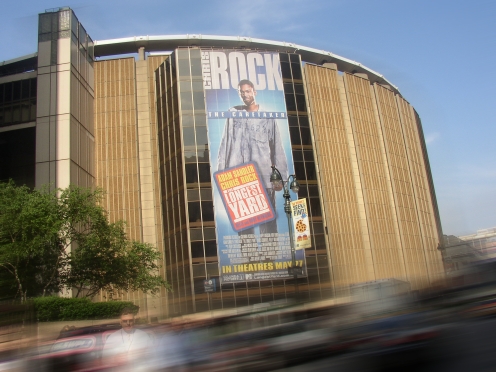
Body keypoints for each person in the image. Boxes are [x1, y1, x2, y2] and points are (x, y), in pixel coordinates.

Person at [217, 80, 289, 258]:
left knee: (267, 221)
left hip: (263, 176)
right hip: (239, 177)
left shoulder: (267, 117)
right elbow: (225, 144)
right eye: (242, 92)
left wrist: (280, 178)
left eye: (248, 91)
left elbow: (277, 147)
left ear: (254, 92)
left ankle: (270, 257)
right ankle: (248, 258)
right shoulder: (233, 116)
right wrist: (222, 175)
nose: (245, 95)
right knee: (245, 222)